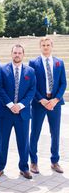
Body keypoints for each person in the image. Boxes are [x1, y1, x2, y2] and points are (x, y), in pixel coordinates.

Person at [0, 44, 36, 179]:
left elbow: (32, 90)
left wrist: (20, 105)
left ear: (23, 55)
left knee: (23, 141)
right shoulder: (2, 69)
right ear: (11, 54)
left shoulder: (30, 71)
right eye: (15, 53)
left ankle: (24, 168)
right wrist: (10, 104)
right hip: (5, 113)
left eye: (19, 53)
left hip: (22, 113)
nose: (17, 55)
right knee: (2, 141)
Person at [29, 37, 67, 174]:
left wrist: (56, 100)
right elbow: (32, 84)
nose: (46, 47)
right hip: (39, 103)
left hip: (55, 103)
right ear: (40, 46)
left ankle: (55, 161)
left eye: (48, 45)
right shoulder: (33, 63)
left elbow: (63, 83)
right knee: (35, 132)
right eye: (43, 45)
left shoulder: (59, 62)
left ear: (52, 46)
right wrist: (41, 100)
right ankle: (33, 162)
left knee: (55, 133)